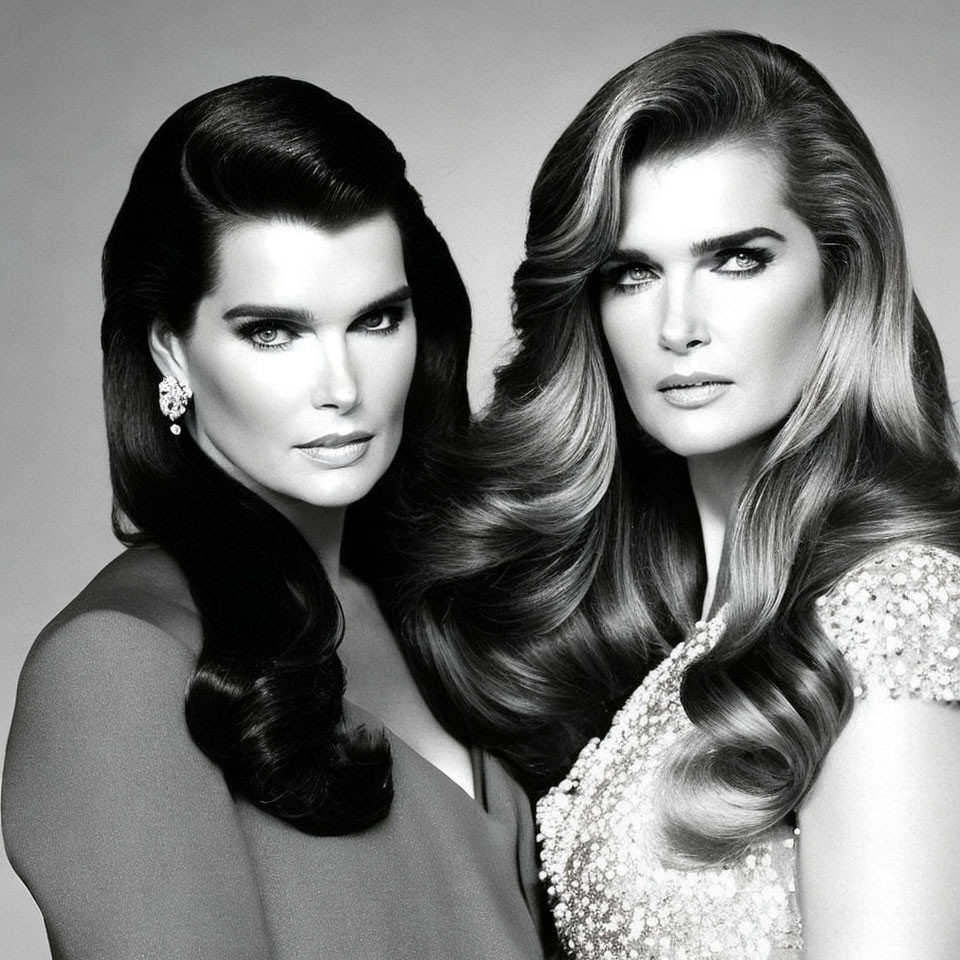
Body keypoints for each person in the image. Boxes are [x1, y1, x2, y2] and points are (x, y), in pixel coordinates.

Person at [403, 31, 960, 958]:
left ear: (841, 271)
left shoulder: (889, 607)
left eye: (737, 258)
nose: (677, 326)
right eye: (632, 272)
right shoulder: (682, 618)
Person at [2, 76, 548, 960]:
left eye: (376, 321)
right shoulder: (117, 665)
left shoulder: (428, 605)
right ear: (169, 348)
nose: (342, 389)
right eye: (273, 332)